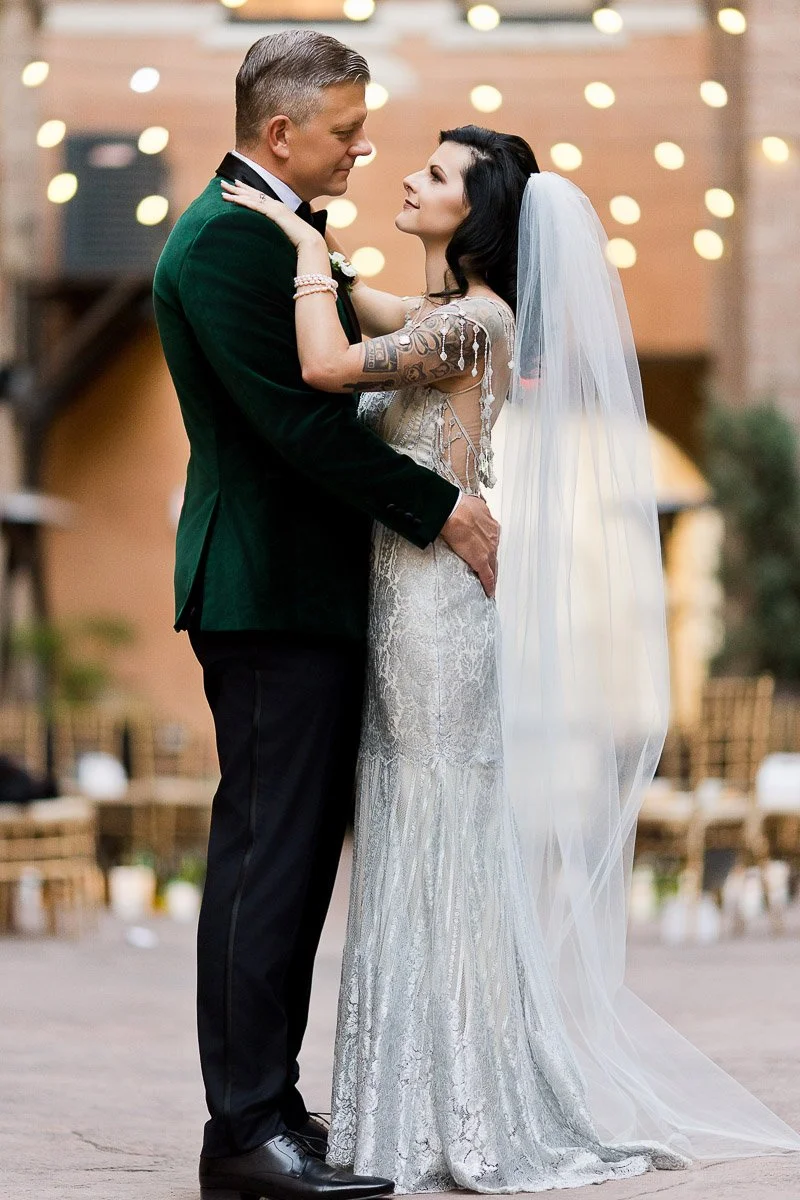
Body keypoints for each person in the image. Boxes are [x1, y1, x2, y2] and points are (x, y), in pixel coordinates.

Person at [223, 109, 800, 1193]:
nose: (410, 178)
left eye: (436, 175)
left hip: (435, 620)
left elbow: (325, 362)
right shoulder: (443, 315)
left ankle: (459, 1105)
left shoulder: (474, 324)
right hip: (400, 607)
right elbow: (361, 299)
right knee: (407, 827)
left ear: (474, 215)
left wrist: (298, 241)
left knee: (435, 827)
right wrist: (313, 247)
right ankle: (413, 1098)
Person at [153, 29, 500, 1200]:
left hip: (303, 593)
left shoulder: (276, 232)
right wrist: (440, 509)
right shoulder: (226, 243)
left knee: (293, 868)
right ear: (281, 131)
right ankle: (244, 1133)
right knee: (268, 863)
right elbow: (294, 424)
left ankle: (271, 1106)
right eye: (346, 132)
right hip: (267, 592)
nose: (361, 149)